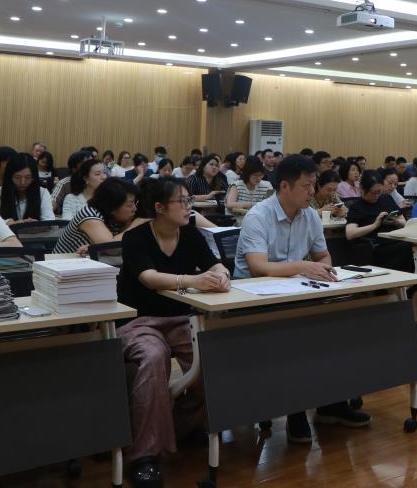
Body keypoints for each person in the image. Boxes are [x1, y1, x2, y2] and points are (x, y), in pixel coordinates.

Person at [234, 155, 371, 442]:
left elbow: (323, 256)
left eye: (313, 185)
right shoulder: (258, 216)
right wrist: (303, 267)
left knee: (340, 325)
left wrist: (322, 270)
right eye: (306, 186)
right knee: (298, 334)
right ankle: (295, 411)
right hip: (255, 302)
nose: (312, 192)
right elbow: (258, 267)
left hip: (298, 294)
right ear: (284, 186)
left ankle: (332, 404)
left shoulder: (309, 216)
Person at [117, 177, 230, 486]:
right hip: (139, 321)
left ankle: (184, 428)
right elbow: (149, 278)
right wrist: (193, 281)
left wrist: (221, 275)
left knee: (210, 356)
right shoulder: (136, 237)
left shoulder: (190, 234)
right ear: (159, 207)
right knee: (154, 358)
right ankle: (145, 455)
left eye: (189, 200)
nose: (188, 207)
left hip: (181, 319)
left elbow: (214, 264)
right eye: (182, 201)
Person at [54, 178, 139, 254]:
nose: (134, 208)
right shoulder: (90, 215)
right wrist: (136, 224)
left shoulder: (115, 216)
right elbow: (111, 248)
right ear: (112, 207)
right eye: (130, 205)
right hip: (64, 263)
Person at [0, 152, 55, 224]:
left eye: (28, 177)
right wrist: (12, 223)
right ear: (9, 176)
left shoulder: (42, 193)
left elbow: (49, 221)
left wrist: (36, 225)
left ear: (34, 177)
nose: (22, 182)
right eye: (17, 177)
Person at [52, 150, 88, 215]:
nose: (90, 166)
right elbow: (53, 201)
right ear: (74, 168)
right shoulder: (64, 183)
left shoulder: (96, 182)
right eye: (84, 163)